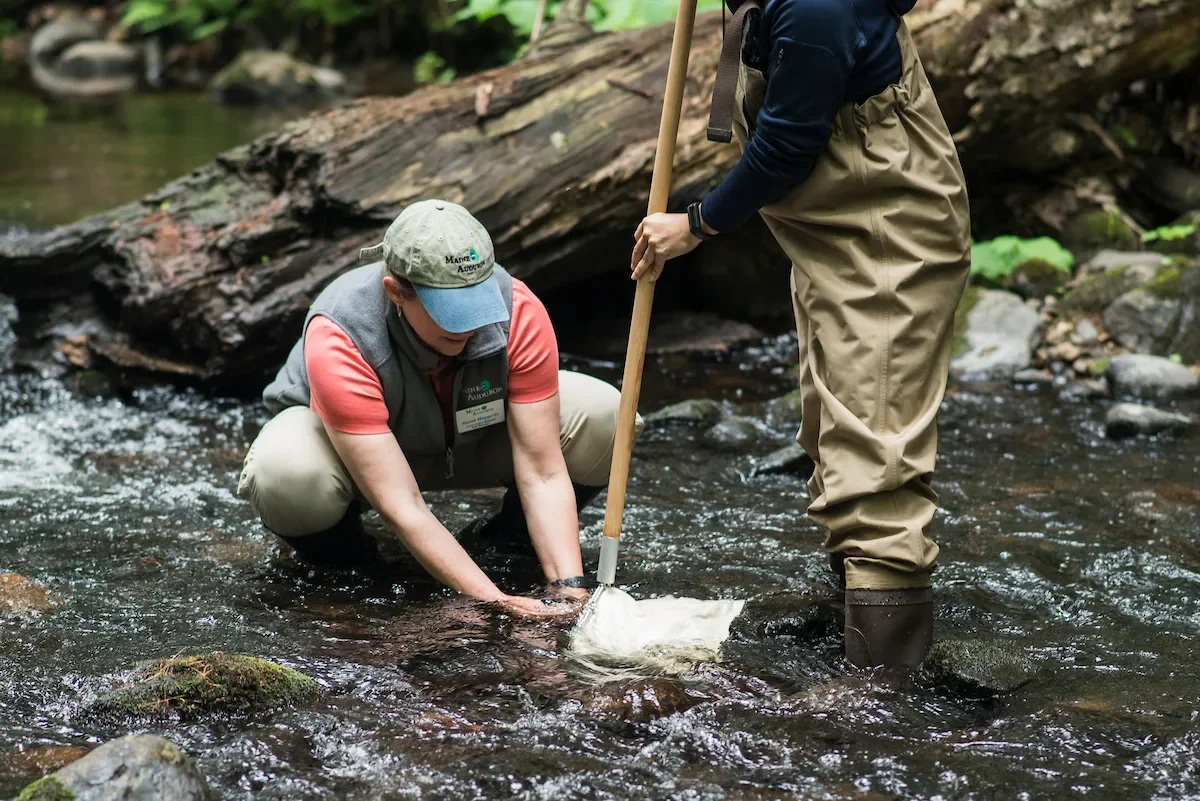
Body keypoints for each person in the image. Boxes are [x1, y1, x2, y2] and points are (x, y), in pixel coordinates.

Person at [631, 0, 971, 668]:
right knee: (827, 424)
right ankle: (848, 608)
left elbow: (787, 143)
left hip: (888, 234)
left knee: (874, 452)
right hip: (832, 231)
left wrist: (695, 224)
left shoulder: (817, 9)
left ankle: (882, 685)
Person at [237, 199, 640, 618]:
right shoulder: (342, 333)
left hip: (471, 442)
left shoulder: (517, 307)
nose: (469, 325)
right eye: (451, 311)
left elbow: (542, 470)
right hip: (351, 459)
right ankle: (352, 571)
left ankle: (505, 543)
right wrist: (495, 602)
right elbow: (402, 504)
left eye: (477, 303)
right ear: (395, 291)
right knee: (285, 474)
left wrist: (569, 591)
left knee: (607, 415)